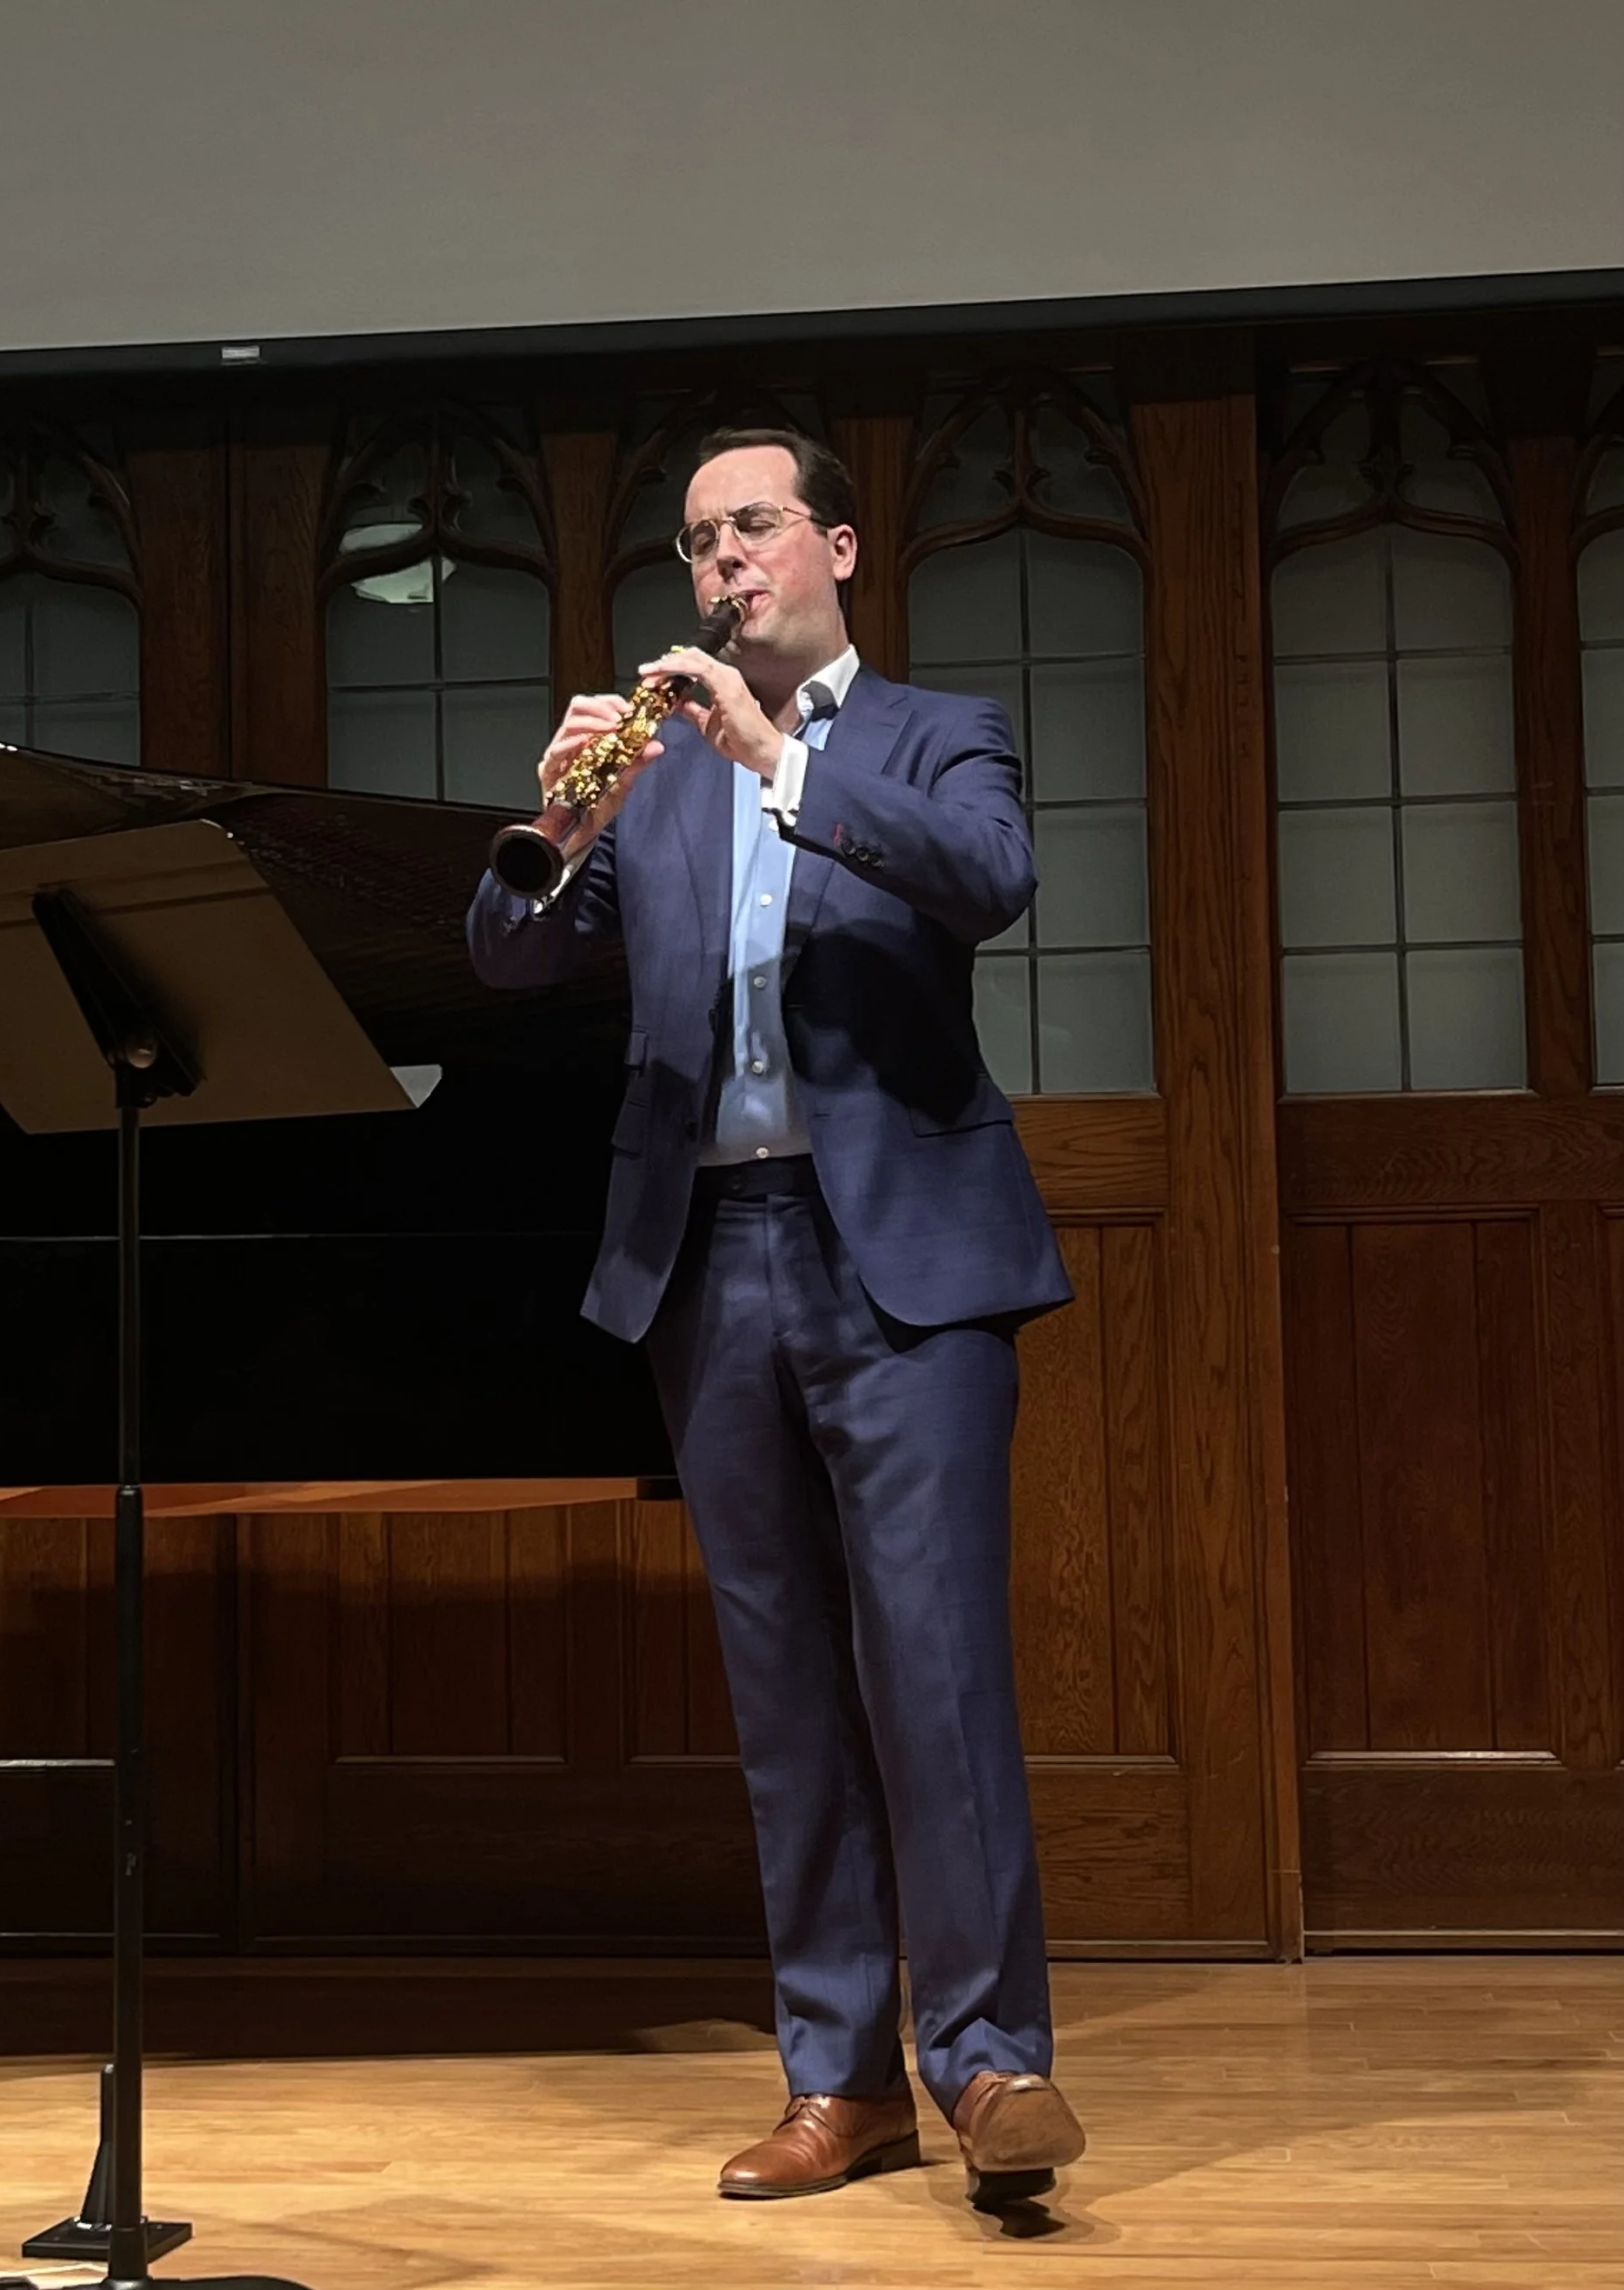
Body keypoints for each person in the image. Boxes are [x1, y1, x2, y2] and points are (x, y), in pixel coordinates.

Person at [467, 427, 1085, 2208]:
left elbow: (988, 883)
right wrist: (561, 815)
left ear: (834, 546)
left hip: (899, 1256)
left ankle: (989, 2067)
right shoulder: (650, 767)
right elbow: (507, 961)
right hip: (704, 1251)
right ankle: (840, 2079)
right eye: (695, 543)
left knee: (935, 1670)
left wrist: (778, 764)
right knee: (785, 1692)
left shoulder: (931, 733)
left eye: (750, 529)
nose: (721, 563)